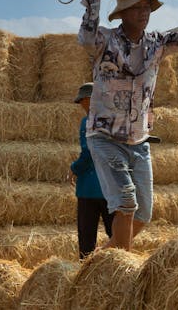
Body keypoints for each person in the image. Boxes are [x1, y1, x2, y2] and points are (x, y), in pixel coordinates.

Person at [77, 0, 178, 250]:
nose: (143, 12)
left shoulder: (158, 43)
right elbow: (85, 37)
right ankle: (121, 269)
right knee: (126, 202)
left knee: (143, 214)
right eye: (136, 7)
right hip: (105, 137)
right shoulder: (106, 40)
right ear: (122, 13)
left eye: (147, 6)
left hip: (139, 141)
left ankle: (103, 257)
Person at [69, 82, 114, 258]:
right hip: (112, 188)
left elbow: (89, 152)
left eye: (82, 101)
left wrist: (74, 168)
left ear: (90, 99)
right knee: (116, 236)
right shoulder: (113, 120)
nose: (81, 105)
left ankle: (86, 278)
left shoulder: (88, 121)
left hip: (90, 189)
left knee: (87, 241)